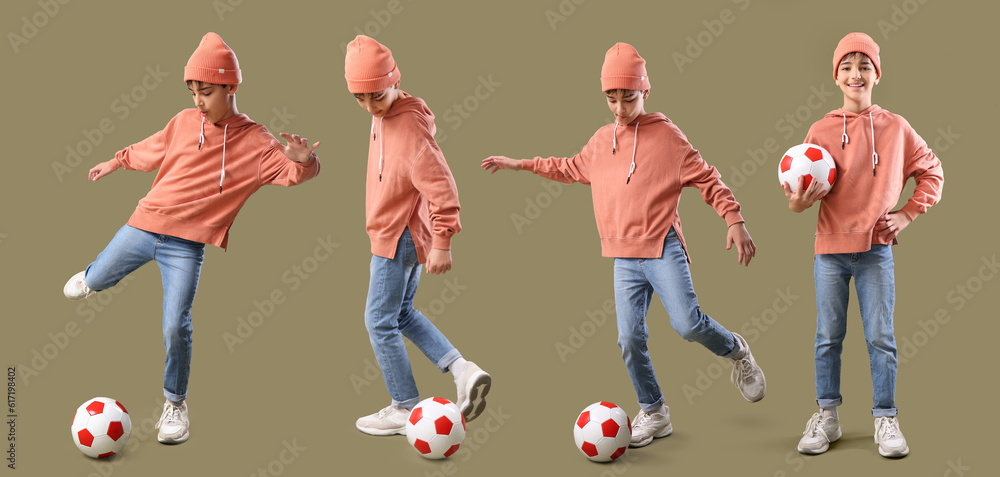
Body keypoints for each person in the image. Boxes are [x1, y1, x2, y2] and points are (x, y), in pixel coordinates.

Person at [481, 42, 765, 448]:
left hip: (662, 245)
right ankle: (654, 412)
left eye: (627, 97)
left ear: (645, 91)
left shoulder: (667, 136)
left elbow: (708, 178)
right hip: (624, 257)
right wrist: (521, 164)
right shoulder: (601, 140)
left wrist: (734, 219)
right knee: (629, 339)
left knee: (686, 324)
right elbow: (568, 167)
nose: (619, 106)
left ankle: (736, 351)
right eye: (611, 98)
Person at [62, 32, 321, 445]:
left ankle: (174, 404)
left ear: (231, 87)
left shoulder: (256, 142)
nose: (198, 100)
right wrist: (116, 161)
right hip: (144, 224)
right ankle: (93, 276)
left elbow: (290, 173)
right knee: (93, 281)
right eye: (193, 91)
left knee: (175, 325)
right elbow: (152, 148)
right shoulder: (184, 122)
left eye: (206, 91)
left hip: (185, 247)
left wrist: (305, 162)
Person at [784, 32, 944, 458]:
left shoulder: (896, 127)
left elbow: (933, 172)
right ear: (836, 76)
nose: (856, 74)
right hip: (830, 252)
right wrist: (797, 202)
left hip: (876, 250)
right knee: (827, 337)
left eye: (864, 66)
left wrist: (907, 213)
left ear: (877, 73)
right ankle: (827, 417)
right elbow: (798, 200)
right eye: (847, 67)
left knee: (881, 337)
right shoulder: (819, 130)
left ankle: (885, 419)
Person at [344, 35, 491, 437]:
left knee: (377, 320)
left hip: (397, 237)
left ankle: (404, 405)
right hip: (396, 233)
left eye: (376, 94)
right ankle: (463, 370)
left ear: (395, 80)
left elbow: (443, 186)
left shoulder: (408, 128)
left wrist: (443, 239)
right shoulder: (387, 114)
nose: (370, 106)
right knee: (401, 313)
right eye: (360, 97)